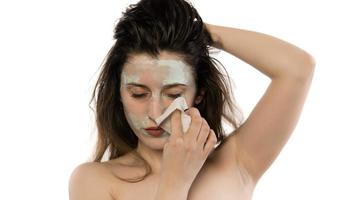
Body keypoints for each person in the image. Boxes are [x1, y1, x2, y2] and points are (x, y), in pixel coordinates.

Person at [69, 0, 315, 199]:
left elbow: (297, 68)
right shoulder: (94, 181)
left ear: (198, 93)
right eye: (139, 94)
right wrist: (175, 182)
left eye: (174, 94)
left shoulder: (237, 161)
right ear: (119, 94)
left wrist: (200, 34)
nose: (155, 112)